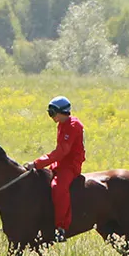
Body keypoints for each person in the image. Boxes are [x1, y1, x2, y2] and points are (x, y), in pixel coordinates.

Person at [31, 95, 86, 242]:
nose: (51, 116)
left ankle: (61, 227)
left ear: (62, 112)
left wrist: (37, 163)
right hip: (60, 164)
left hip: (70, 165)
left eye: (52, 113)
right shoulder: (62, 123)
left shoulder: (73, 126)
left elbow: (63, 151)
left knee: (58, 188)